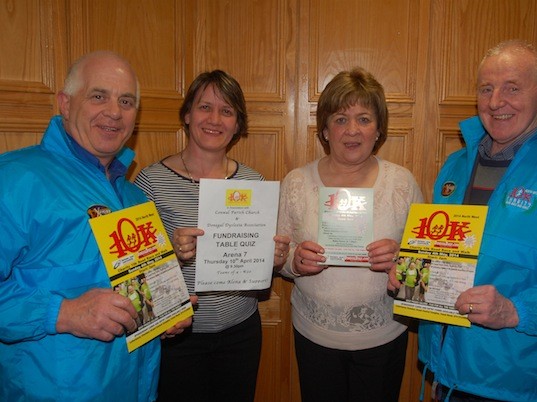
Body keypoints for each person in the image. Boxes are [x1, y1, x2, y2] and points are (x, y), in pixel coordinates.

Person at [408, 40, 537, 401]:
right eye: (487, 88)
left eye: (513, 88)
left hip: (524, 386)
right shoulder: (454, 167)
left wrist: (516, 310)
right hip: (444, 375)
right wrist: (410, 274)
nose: (496, 101)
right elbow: (443, 261)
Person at [0, 51, 191, 401]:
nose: (114, 112)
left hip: (137, 387)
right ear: (66, 103)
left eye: (127, 101)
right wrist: (65, 312)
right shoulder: (12, 180)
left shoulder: (136, 199)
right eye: (98, 96)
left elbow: (137, 296)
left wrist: (164, 314)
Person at [134, 69, 290, 402]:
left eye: (227, 111)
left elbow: (258, 263)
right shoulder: (150, 182)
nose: (215, 119)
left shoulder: (254, 183)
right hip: (178, 336)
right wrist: (171, 253)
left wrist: (273, 260)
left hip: (241, 333)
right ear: (187, 115)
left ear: (237, 124)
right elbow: (134, 271)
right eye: (205, 107)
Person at [276, 67, 424, 402]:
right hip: (314, 334)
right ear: (325, 129)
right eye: (341, 119)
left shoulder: (402, 183)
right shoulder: (297, 182)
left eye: (364, 118)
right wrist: (295, 262)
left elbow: (427, 264)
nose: (352, 130)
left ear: (378, 128)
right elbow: (278, 255)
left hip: (383, 338)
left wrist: (401, 258)